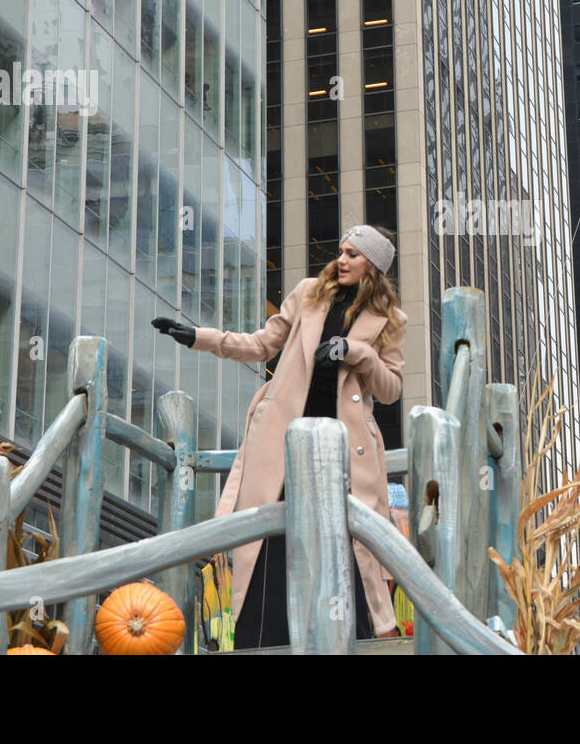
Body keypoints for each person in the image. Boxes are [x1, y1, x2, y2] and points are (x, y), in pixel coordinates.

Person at [152, 225, 406, 647]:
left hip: (344, 450)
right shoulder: (309, 293)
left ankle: (351, 641)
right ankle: (261, 642)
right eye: (340, 250)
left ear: (373, 267)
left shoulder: (390, 320)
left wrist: (356, 352)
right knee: (271, 536)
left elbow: (390, 389)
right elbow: (261, 344)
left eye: (353, 254)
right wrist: (198, 337)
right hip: (284, 438)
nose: (341, 260)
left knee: (348, 543)